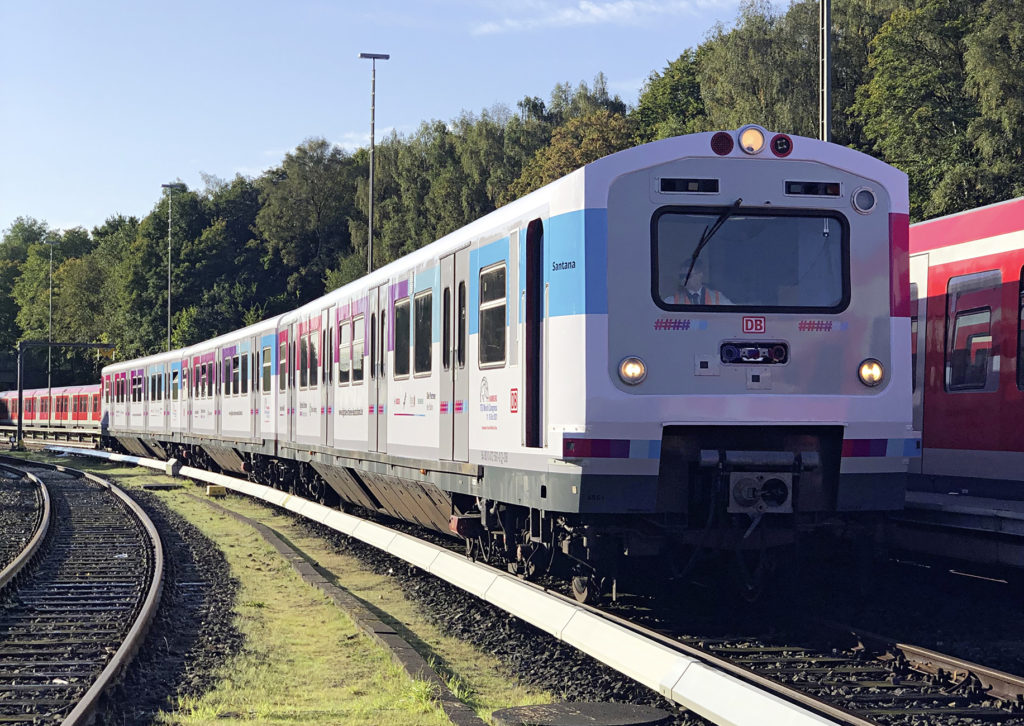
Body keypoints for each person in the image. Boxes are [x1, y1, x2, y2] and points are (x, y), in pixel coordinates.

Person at [664, 257, 732, 305]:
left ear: (700, 275)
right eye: (681, 276)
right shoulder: (672, 301)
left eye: (688, 276)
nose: (684, 279)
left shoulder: (718, 298)